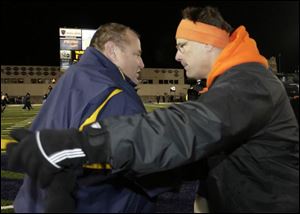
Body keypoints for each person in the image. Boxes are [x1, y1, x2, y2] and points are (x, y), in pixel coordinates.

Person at [7, 6, 299, 212]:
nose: (176, 55)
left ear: (210, 44)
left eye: (183, 45)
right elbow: (207, 154)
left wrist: (84, 144)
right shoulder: (233, 83)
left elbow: (188, 128)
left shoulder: (249, 83)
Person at [7, 22, 176, 213]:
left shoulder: (73, 77)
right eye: (136, 54)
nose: (142, 63)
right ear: (112, 50)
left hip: (33, 202)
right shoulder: (115, 94)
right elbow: (141, 163)